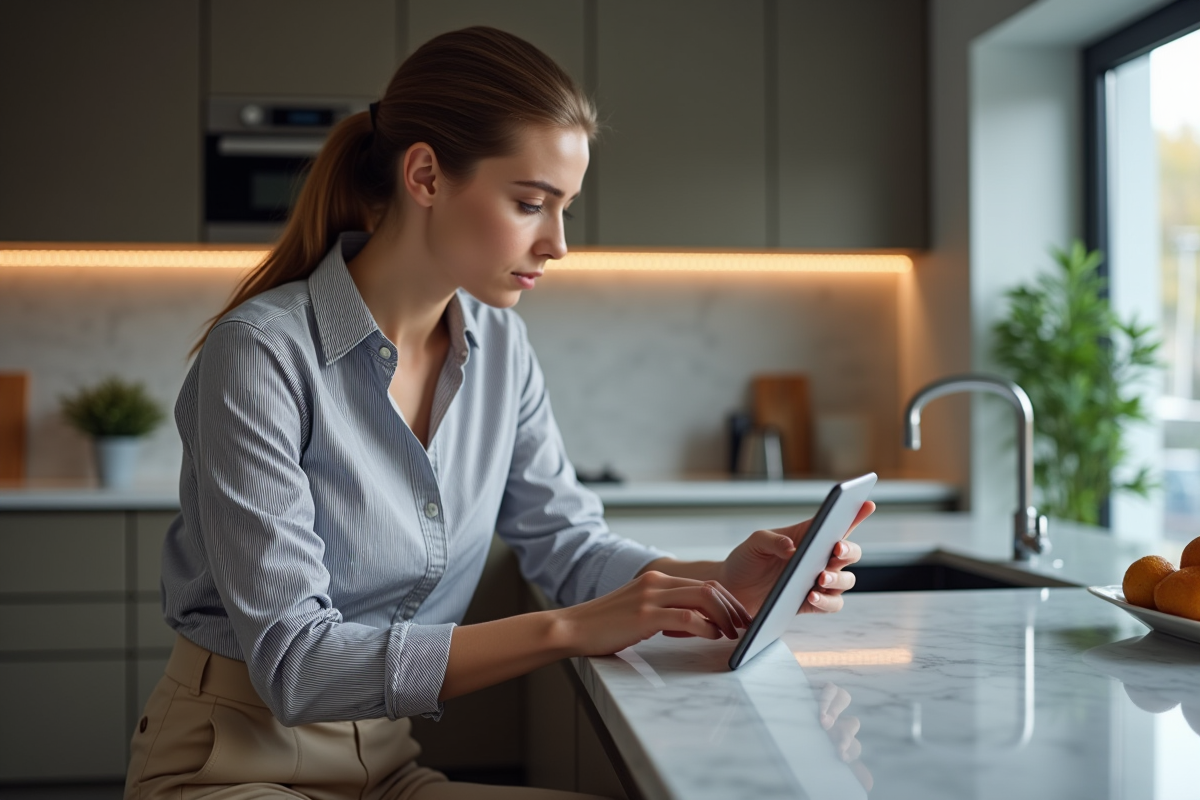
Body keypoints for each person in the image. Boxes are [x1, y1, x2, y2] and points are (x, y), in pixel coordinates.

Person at [125, 26, 872, 800]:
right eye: (528, 203)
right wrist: (571, 629)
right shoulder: (261, 351)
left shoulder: (500, 348)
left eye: (565, 211)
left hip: (383, 767)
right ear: (425, 175)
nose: (556, 245)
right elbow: (300, 667)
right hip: (230, 765)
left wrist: (718, 580)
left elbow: (566, 546)